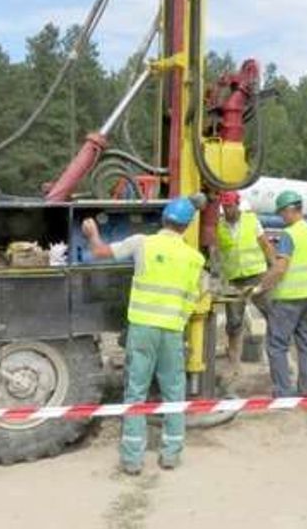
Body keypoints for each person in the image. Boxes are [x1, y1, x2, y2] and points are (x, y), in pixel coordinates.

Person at [82, 197, 204, 474]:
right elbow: (192, 298)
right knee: (174, 392)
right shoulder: (195, 258)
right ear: (187, 226)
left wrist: (92, 233)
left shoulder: (141, 243)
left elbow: (99, 252)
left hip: (142, 329)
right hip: (172, 330)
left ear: (163, 218)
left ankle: (132, 459)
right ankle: (171, 454)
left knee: (136, 392)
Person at [252, 190, 307, 396]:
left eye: (281, 213)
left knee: (277, 345)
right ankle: (306, 389)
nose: (281, 217)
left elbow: (280, 269)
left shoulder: (289, 234)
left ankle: (283, 392)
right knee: (305, 343)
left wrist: (261, 287)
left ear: (290, 210)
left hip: (288, 298)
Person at [214, 191, 274, 367]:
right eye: (225, 207)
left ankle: (276, 354)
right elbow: (216, 251)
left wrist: (273, 269)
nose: (228, 210)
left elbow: (265, 245)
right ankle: (234, 362)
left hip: (257, 275)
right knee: (234, 323)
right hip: (234, 280)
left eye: (230, 206)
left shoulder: (251, 220)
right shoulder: (219, 226)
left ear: (237, 204)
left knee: (272, 314)